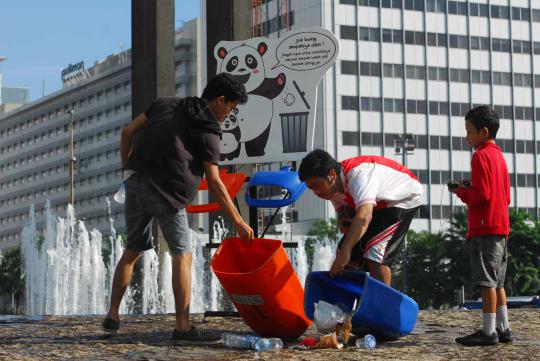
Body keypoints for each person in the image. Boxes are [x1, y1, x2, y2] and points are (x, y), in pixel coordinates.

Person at [102, 73, 254, 341]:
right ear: (220, 100)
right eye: (231, 108)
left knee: (132, 251)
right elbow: (216, 183)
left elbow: (127, 132)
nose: (228, 115)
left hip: (136, 185)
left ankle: (113, 314)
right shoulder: (209, 130)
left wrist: (126, 169)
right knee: (182, 255)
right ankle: (182, 326)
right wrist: (239, 222)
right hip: (169, 197)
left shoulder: (165, 103)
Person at [298, 149, 423, 285]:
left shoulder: (359, 175)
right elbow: (346, 221)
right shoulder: (332, 190)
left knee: (374, 252)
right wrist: (346, 246)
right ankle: (350, 300)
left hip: (402, 198)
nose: (316, 192)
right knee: (346, 254)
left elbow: (364, 215)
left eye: (317, 185)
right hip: (376, 206)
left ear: (332, 175)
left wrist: (346, 250)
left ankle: (382, 303)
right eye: (311, 188)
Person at [450, 106, 512, 346]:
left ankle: (488, 332)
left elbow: (481, 195)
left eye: (469, 131)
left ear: (483, 132)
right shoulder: (499, 157)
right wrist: (470, 186)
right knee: (498, 283)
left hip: (484, 229)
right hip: (501, 227)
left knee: (486, 282)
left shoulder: (480, 156)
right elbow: (504, 196)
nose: (467, 136)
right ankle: (503, 327)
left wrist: (462, 192)